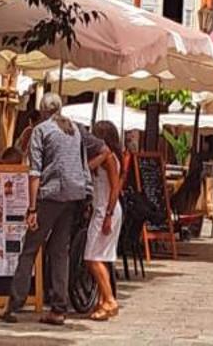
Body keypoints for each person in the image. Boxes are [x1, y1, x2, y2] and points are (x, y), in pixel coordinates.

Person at [0, 92, 91, 326]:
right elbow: (82, 162)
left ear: (42, 111)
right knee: (60, 250)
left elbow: (35, 172)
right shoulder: (74, 129)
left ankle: (13, 304)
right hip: (73, 195)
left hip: (50, 195)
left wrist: (31, 208)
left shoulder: (41, 130)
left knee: (30, 248)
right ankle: (59, 308)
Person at [84, 121, 123, 322]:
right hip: (103, 209)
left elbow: (115, 187)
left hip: (105, 209)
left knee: (92, 257)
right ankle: (102, 302)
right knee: (102, 256)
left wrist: (108, 214)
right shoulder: (106, 156)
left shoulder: (110, 159)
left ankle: (109, 299)